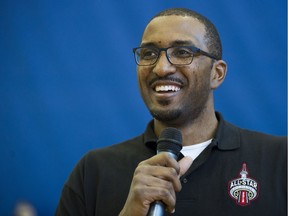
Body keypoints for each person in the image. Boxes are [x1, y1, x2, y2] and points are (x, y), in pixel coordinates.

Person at [55, 8, 287, 216]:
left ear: (217, 74)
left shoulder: (280, 159)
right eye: (148, 54)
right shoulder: (94, 171)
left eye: (183, 52)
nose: (162, 67)